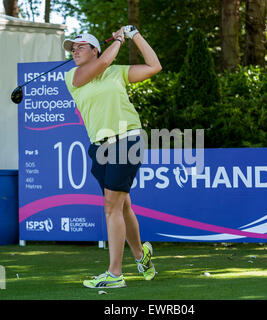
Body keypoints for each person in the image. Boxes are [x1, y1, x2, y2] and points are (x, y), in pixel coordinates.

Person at [63, 26, 162, 288]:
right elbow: (105, 60)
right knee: (123, 205)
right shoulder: (73, 76)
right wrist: (119, 39)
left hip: (127, 139)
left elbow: (154, 66)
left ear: (95, 49)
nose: (75, 51)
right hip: (99, 147)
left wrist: (134, 34)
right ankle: (141, 256)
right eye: (73, 48)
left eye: (80, 46)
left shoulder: (116, 72)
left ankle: (115, 274)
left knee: (112, 205)